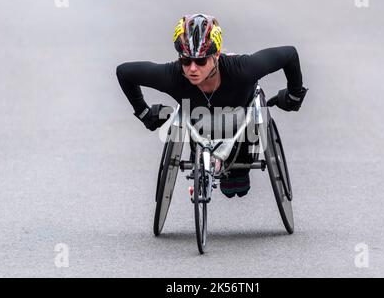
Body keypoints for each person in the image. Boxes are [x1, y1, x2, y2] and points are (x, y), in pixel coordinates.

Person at [116, 14, 308, 198]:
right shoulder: (173, 76)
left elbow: (289, 54)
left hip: (242, 130)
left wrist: (294, 95)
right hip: (200, 129)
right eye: (185, 60)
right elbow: (124, 72)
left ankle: (237, 167)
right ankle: (203, 159)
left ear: (216, 55)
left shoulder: (242, 69)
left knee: (237, 187)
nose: (192, 68)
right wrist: (144, 113)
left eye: (200, 61)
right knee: (197, 121)